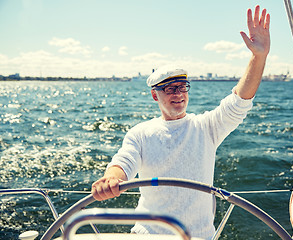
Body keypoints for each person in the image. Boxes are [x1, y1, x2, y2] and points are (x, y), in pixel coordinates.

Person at [92, 5, 270, 240]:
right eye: (170, 89)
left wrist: (259, 57)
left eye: (182, 87)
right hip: (149, 235)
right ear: (155, 95)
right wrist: (112, 178)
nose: (178, 94)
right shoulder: (140, 133)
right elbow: (124, 162)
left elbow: (239, 102)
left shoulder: (206, 127)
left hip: (198, 236)